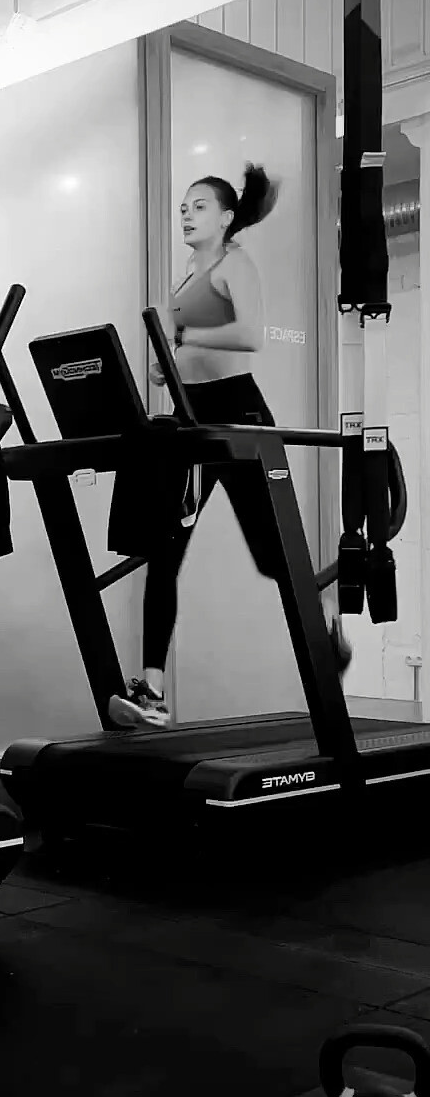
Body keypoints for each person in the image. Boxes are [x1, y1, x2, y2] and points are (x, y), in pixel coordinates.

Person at [110, 164, 351, 730]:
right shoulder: (185, 278)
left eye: (199, 206)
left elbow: (250, 335)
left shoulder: (234, 264)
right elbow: (184, 347)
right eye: (183, 207)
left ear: (225, 217)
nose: (186, 214)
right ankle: (151, 691)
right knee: (164, 552)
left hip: (238, 413)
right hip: (189, 415)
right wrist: (167, 366)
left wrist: (182, 337)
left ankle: (325, 632)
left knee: (273, 558)